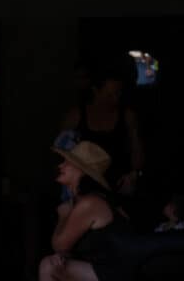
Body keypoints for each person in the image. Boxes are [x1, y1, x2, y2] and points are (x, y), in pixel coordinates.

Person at [28, 142, 120, 281]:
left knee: (49, 265)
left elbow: (60, 243)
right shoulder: (83, 202)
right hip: (103, 274)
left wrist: (62, 216)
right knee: (59, 264)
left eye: (68, 163)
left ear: (83, 172)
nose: (62, 165)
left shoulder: (89, 203)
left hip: (114, 279)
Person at [58, 62, 146, 198]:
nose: (116, 99)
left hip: (118, 187)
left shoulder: (127, 116)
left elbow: (137, 152)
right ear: (96, 91)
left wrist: (134, 175)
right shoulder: (76, 116)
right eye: (110, 95)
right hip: (83, 188)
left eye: (118, 93)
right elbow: (61, 152)